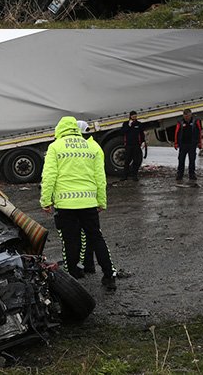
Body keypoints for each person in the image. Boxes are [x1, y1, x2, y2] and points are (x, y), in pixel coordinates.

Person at [40, 116, 118, 290]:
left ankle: (73, 274)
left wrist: (46, 200)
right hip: (89, 202)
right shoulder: (93, 146)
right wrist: (101, 201)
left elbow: (49, 176)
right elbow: (100, 177)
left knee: (70, 240)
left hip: (65, 205)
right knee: (96, 237)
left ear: (60, 129)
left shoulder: (55, 147)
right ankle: (109, 275)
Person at [173, 108, 203, 184]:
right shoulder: (180, 122)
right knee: (181, 159)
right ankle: (180, 174)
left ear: (190, 115)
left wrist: (200, 143)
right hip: (183, 144)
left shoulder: (196, 121)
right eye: (185, 116)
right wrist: (176, 143)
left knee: (192, 160)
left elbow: (199, 132)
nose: (186, 117)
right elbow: (176, 133)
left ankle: (192, 174)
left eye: (188, 116)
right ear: (183, 115)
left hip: (192, 144)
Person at [121, 110, 147, 180]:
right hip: (128, 145)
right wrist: (129, 125)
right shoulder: (126, 123)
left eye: (135, 116)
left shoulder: (139, 124)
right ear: (130, 116)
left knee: (136, 161)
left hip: (136, 145)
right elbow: (123, 132)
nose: (134, 117)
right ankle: (124, 176)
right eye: (133, 116)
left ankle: (134, 175)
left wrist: (143, 141)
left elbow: (141, 134)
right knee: (127, 161)